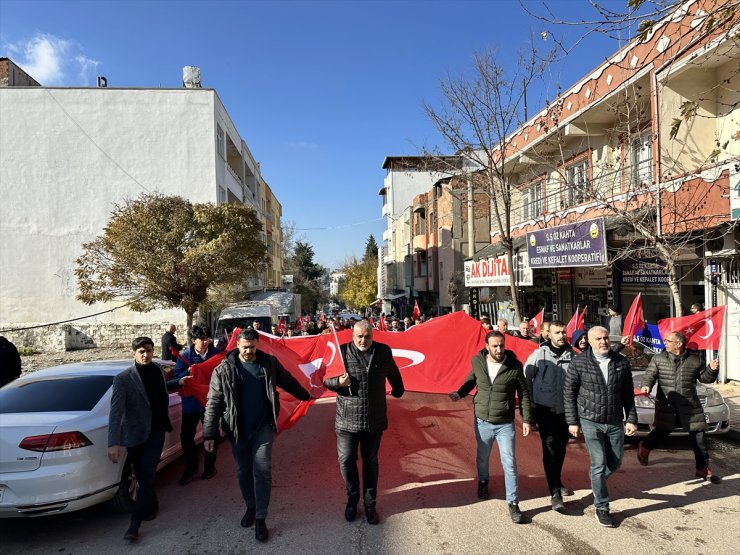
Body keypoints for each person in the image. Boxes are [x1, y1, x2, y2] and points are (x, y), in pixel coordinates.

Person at [203, 328, 311, 543]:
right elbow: (213, 403)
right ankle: (250, 507)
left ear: (258, 345)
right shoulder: (223, 369)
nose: (249, 351)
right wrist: (209, 433)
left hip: (262, 428)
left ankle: (261, 518)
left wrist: (307, 394)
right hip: (237, 430)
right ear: (237, 346)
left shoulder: (268, 363)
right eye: (245, 347)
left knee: (262, 471)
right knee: (243, 471)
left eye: (252, 347)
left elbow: (287, 381)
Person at [323, 320, 405, 525]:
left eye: (367, 336)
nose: (363, 340)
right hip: (346, 420)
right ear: (352, 336)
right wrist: (337, 383)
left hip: (373, 420)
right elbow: (325, 378)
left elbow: (393, 373)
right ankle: (352, 499)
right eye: (359, 336)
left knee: (371, 462)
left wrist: (398, 389)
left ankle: (370, 504)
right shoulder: (342, 352)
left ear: (372, 336)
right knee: (346, 460)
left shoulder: (383, 352)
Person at [449, 330, 532, 524]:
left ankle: (513, 503)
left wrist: (527, 419)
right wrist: (460, 393)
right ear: (487, 347)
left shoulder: (515, 366)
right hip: (483, 421)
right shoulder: (477, 362)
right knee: (483, 456)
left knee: (509, 462)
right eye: (494, 346)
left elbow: (525, 394)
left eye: (501, 345)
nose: (499, 349)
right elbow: (471, 380)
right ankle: (483, 481)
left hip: (505, 423)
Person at [564, 327, 637, 528]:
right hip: (590, 420)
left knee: (615, 462)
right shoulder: (579, 362)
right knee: (598, 462)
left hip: (614, 421)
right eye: (599, 339)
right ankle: (602, 507)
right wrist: (572, 421)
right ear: (589, 341)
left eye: (606, 338)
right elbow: (569, 393)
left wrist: (631, 419)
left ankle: (596, 481)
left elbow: (628, 394)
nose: (604, 341)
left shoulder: (621, 362)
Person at [108, 336, 176, 542]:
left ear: (153, 350)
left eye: (149, 350)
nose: (146, 355)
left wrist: (179, 382)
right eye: (141, 352)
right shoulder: (123, 379)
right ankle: (151, 505)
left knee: (146, 474)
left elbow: (161, 394)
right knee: (142, 474)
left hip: (156, 431)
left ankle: (134, 525)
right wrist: (113, 442)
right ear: (134, 353)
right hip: (135, 435)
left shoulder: (157, 371)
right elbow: (116, 412)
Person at [637, 331, 721, 483]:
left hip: (690, 406)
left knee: (699, 438)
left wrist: (712, 369)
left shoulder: (695, 360)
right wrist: (646, 386)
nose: (665, 343)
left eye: (668, 340)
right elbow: (650, 375)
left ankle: (702, 468)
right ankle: (645, 446)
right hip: (667, 405)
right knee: (662, 432)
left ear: (679, 344)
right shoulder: (659, 358)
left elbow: (705, 379)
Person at [524, 320, 575, 511]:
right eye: (557, 333)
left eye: (563, 332)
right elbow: (526, 379)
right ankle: (554, 492)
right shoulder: (539, 355)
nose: (561, 336)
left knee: (561, 448)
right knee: (550, 448)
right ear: (549, 335)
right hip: (544, 410)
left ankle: (557, 480)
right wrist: (530, 405)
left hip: (565, 411)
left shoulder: (574, 356)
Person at [168, 324, 220, 485]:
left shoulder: (216, 355)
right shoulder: (185, 356)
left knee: (212, 436)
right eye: (202, 339)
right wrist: (188, 373)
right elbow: (175, 379)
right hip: (190, 404)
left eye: (207, 339)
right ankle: (191, 467)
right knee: (186, 437)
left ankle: (210, 466)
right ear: (193, 340)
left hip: (210, 404)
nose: (205, 342)